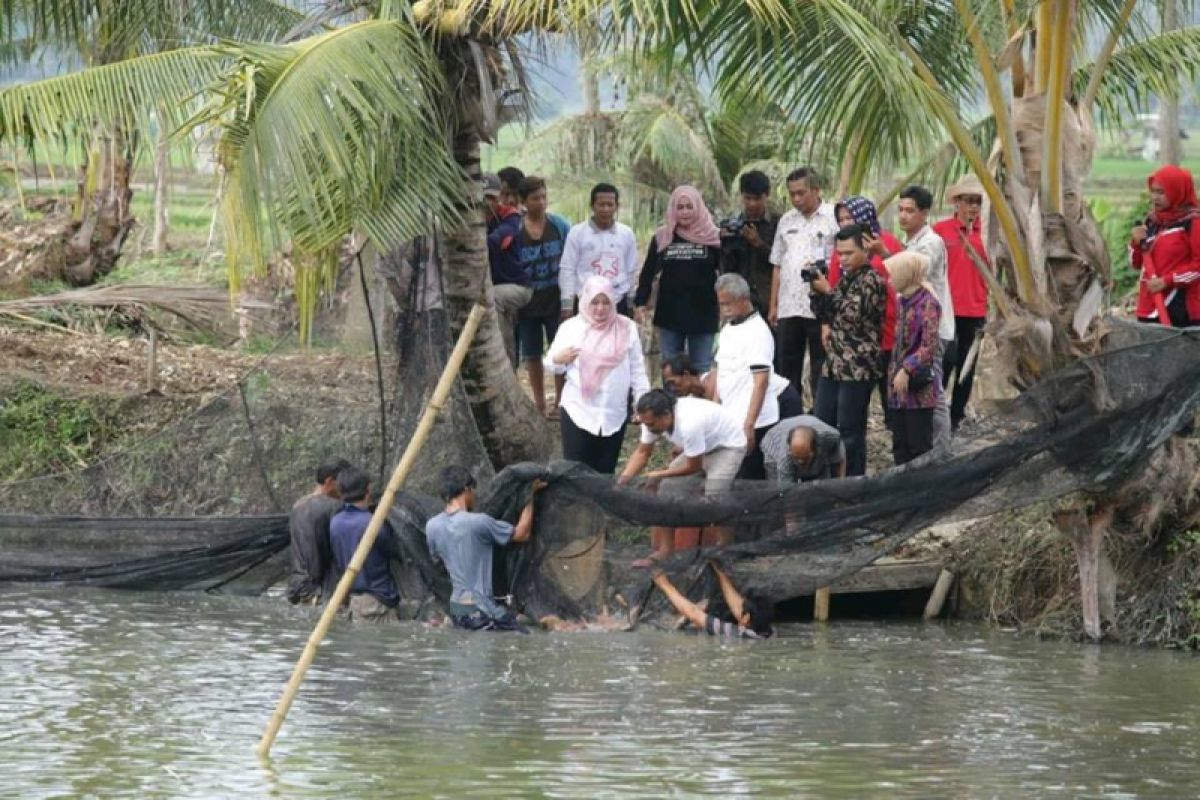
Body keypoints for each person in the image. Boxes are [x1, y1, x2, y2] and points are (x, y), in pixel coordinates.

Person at [618, 389, 746, 565]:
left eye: (652, 424)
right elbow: (642, 452)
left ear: (666, 415)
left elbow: (692, 466)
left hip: (727, 446)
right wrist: (623, 481)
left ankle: (725, 549)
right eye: (646, 424)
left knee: (715, 495)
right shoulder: (651, 422)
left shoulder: (689, 423)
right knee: (667, 489)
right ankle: (666, 550)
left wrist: (659, 474)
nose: (649, 428)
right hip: (702, 446)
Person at [546, 276, 650, 474]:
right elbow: (552, 363)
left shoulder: (626, 328)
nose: (600, 308)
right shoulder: (571, 328)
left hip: (614, 413)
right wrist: (559, 358)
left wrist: (641, 401)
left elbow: (637, 370)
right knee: (575, 474)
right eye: (595, 302)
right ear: (585, 300)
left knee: (605, 474)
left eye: (605, 302)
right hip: (578, 411)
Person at [425, 465, 544, 631]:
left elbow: (438, 561)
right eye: (473, 490)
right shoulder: (478, 522)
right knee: (524, 641)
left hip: (457, 608)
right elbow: (522, 533)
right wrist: (528, 496)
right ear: (466, 489)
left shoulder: (432, 526)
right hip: (482, 608)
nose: (474, 496)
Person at [811, 224, 887, 476]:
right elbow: (826, 314)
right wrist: (816, 291)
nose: (842, 259)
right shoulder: (845, 279)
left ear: (865, 249)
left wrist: (828, 291)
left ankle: (854, 484)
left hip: (858, 367)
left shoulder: (872, 279)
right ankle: (828, 481)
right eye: (839, 254)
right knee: (823, 425)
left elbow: (852, 314)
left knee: (851, 432)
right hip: (833, 365)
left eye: (848, 253)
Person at [710, 273, 796, 479]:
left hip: (756, 418)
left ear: (744, 300)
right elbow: (722, 373)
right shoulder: (728, 330)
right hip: (733, 415)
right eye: (721, 305)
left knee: (753, 476)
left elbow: (761, 382)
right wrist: (715, 411)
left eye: (728, 304)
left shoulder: (757, 332)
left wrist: (749, 424)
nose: (725, 310)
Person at [769, 166, 840, 408]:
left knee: (821, 366)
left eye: (802, 193)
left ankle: (820, 418)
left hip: (820, 306)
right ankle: (790, 418)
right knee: (787, 367)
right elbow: (777, 263)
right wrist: (774, 305)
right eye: (792, 194)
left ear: (816, 189)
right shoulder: (786, 220)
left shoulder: (833, 217)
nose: (797, 199)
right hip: (789, 306)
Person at [634, 185, 723, 373]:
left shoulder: (714, 236)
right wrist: (640, 301)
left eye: (689, 207)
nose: (684, 212)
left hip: (703, 312)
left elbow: (726, 272)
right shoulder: (663, 237)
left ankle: (700, 403)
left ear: (698, 207)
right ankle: (671, 403)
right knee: (670, 366)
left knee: (702, 367)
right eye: (680, 207)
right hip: (670, 312)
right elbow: (648, 271)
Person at [829, 196, 903, 422]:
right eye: (840, 219)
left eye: (849, 217)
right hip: (855, 342)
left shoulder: (887, 242)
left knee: (891, 398)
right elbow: (833, 288)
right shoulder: (840, 249)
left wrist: (883, 253)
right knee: (854, 406)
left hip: (889, 330)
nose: (844, 223)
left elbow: (905, 276)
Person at [896, 185, 953, 445]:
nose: (903, 216)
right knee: (919, 390)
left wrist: (883, 254)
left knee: (934, 391)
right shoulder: (910, 243)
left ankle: (942, 449)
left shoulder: (931, 243)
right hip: (913, 330)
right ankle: (922, 446)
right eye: (901, 210)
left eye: (910, 210)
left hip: (932, 329)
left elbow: (910, 274)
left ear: (924, 214)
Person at [934, 175, 990, 432]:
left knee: (967, 368)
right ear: (956, 202)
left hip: (976, 310)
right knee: (947, 360)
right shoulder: (941, 231)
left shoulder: (988, 234)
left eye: (978, 202)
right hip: (946, 309)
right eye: (968, 201)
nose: (973, 207)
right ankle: (935, 413)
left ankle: (956, 419)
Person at [516, 176, 572, 418]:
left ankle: (560, 401)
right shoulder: (515, 229)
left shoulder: (559, 226)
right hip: (527, 301)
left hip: (555, 299)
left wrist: (570, 300)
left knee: (559, 351)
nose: (541, 202)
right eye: (534, 198)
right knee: (532, 354)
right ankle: (539, 402)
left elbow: (570, 262)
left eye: (543, 197)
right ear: (523, 201)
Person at [885, 252, 943, 465]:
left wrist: (907, 369)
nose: (890, 280)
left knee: (918, 447)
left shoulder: (927, 303)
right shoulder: (903, 302)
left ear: (906, 274)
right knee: (900, 445)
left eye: (893, 275)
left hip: (917, 389)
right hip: (898, 388)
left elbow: (929, 345)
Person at [328, 467, 403, 622]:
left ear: (340, 492)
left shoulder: (335, 522)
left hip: (353, 600)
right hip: (377, 602)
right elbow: (394, 552)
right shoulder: (373, 523)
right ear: (368, 489)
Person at [1132, 164, 1200, 328]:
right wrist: (1135, 243)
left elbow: (1198, 266)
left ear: (1177, 191)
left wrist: (1167, 281)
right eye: (1153, 191)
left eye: (1161, 192)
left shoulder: (1193, 222)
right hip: (1149, 308)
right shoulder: (1152, 222)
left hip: (1180, 310)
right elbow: (1136, 264)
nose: (1155, 197)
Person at [559, 183, 639, 319]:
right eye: (601, 204)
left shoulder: (626, 234)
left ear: (616, 206)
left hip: (617, 300)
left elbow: (631, 269)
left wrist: (631, 303)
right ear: (592, 205)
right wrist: (567, 304)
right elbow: (568, 268)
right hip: (586, 301)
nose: (606, 209)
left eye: (610, 204)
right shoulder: (577, 233)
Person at [649, 561, 774, 639]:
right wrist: (720, 573)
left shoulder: (734, 633)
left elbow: (694, 613)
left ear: (746, 618)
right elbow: (738, 608)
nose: (737, 604)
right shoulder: (769, 632)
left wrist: (664, 584)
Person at [287, 459, 351, 605]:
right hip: (321, 590)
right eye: (343, 483)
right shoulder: (335, 507)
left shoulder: (299, 505)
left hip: (298, 588)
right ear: (329, 482)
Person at [484, 172, 530, 364]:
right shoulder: (467, 218)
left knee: (493, 298)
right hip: (492, 287)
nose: (486, 203)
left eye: (492, 198)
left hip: (518, 287)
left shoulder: (510, 217)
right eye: (482, 197)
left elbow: (497, 242)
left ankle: (505, 363)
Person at [720, 170, 779, 312]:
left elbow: (782, 263)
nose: (752, 204)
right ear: (741, 196)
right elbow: (726, 269)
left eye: (757, 198)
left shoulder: (779, 223)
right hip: (740, 299)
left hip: (769, 300)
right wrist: (726, 244)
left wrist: (759, 244)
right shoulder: (733, 224)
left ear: (767, 196)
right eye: (748, 198)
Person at [760, 416, 846, 483]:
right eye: (796, 458)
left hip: (818, 451)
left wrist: (840, 486)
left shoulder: (831, 439)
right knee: (777, 493)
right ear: (790, 450)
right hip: (773, 442)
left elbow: (839, 460)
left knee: (823, 486)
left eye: (804, 458)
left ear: (814, 449)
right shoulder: (784, 458)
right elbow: (786, 493)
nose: (800, 462)